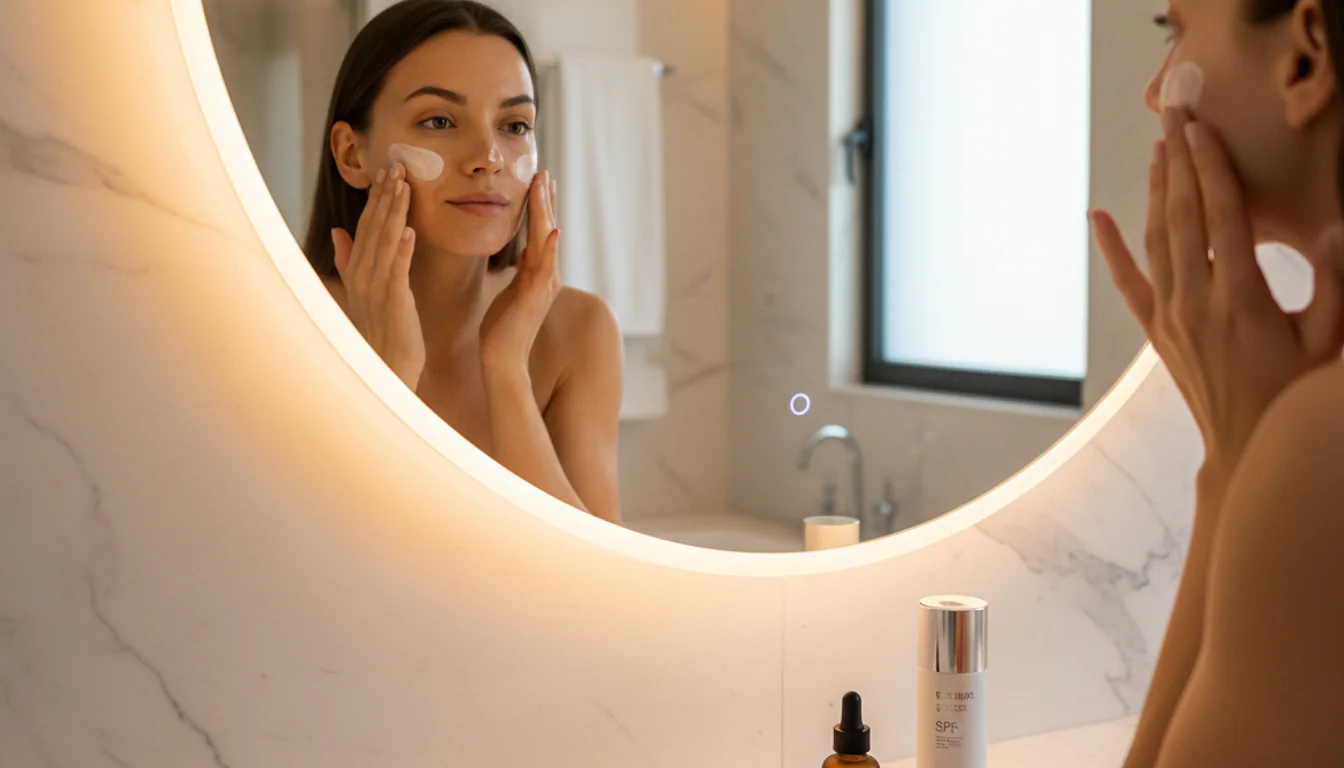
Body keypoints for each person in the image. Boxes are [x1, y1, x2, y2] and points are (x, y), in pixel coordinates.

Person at [1089, 0, 1344, 764]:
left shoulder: (1322, 445)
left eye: (1175, 31)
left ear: (1305, 57)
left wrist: (1240, 458)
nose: (1154, 91)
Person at [301, 0, 623, 524]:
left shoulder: (579, 332)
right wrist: (388, 375)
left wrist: (507, 371)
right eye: (439, 120)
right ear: (351, 154)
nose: (488, 158)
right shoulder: (284, 325)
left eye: (514, 125)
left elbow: (603, 570)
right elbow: (302, 556)